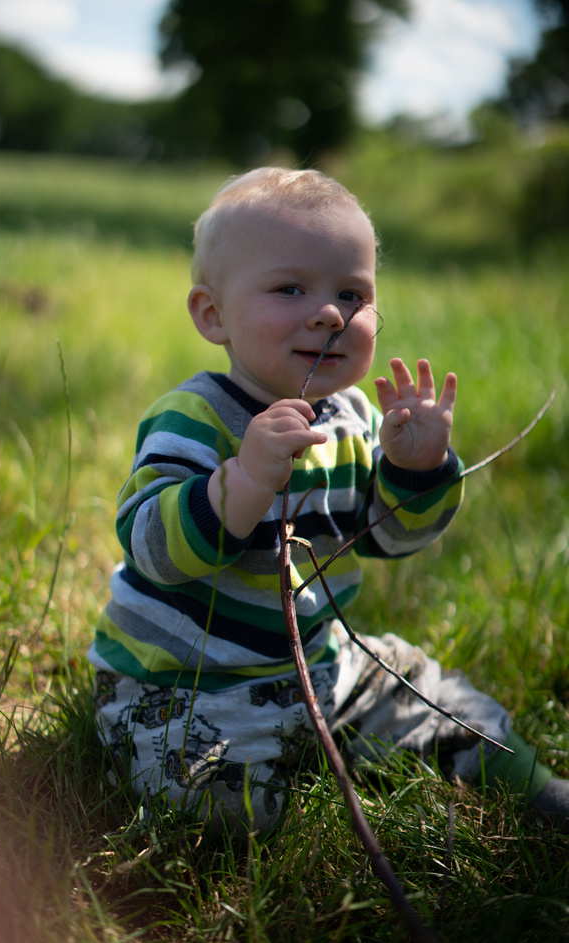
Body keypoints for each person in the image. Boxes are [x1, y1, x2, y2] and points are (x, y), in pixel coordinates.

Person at [89, 167, 567, 832]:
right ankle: (273, 803)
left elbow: (387, 539)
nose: (329, 312)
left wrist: (414, 469)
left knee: (442, 699)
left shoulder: (353, 417)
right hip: (189, 684)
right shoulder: (196, 418)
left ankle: (536, 787)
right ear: (213, 314)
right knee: (209, 800)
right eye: (291, 288)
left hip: (322, 664)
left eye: (353, 293)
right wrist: (243, 480)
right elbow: (150, 549)